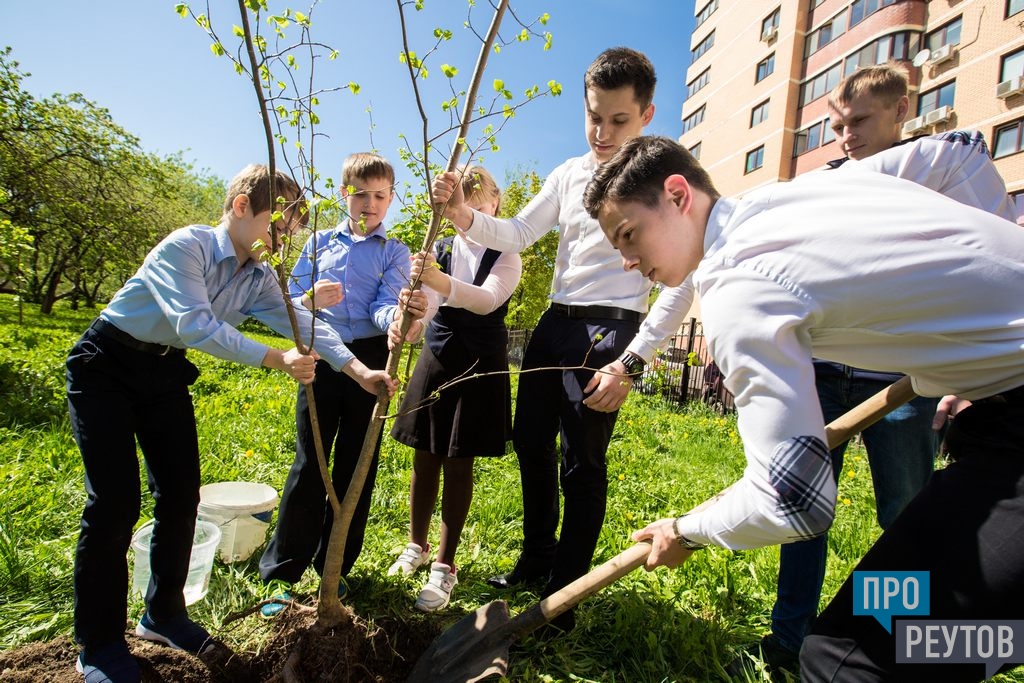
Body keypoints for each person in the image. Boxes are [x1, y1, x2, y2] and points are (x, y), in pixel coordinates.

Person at [583, 134, 1024, 683]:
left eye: (629, 236)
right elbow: (960, 154)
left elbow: (796, 502)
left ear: (677, 195)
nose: (627, 262)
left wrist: (687, 530)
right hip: (1001, 426)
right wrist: (988, 312)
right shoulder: (806, 190)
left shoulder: (736, 284)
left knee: (845, 659)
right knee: (900, 613)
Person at [737, 63, 1018, 676]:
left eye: (860, 121)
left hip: (903, 383)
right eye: (837, 126)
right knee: (804, 516)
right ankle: (791, 638)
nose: (847, 136)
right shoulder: (837, 181)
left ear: (901, 110)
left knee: (907, 513)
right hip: (824, 374)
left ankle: (909, 645)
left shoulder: (939, 172)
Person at [66, 164, 396, 683]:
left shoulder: (259, 276)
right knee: (114, 504)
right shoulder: (187, 247)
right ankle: (99, 643)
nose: (282, 241)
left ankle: (165, 614)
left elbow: (302, 322)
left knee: (181, 494)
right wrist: (276, 359)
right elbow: (195, 326)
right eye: (278, 227)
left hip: (164, 370)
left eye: (289, 233)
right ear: (242, 207)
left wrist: (358, 371)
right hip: (105, 364)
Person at [430, 46, 691, 631]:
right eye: (593, 115)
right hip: (555, 322)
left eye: (618, 120)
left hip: (611, 329)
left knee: (582, 462)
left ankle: (564, 594)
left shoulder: (662, 182)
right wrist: (462, 215)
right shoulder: (570, 173)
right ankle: (538, 559)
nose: (602, 132)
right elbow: (520, 231)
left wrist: (632, 362)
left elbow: (681, 283)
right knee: (529, 440)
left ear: (647, 115)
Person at [259, 153, 432, 614]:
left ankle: (333, 567)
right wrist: (309, 299)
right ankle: (283, 573)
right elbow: (286, 298)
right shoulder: (318, 243)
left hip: (371, 362)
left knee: (358, 465)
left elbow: (381, 307)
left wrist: (397, 319)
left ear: (391, 199)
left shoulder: (394, 252)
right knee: (309, 461)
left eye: (379, 196)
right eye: (360, 194)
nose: (369, 204)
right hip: (319, 354)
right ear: (344, 194)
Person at [386, 165, 522, 612]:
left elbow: (486, 300)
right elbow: (431, 307)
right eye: (458, 207)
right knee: (424, 456)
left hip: (480, 361)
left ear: (495, 205)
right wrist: (411, 321)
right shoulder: (438, 248)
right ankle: (416, 545)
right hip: (439, 354)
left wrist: (439, 282)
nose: (467, 215)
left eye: (478, 206)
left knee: (458, 461)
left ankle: (445, 566)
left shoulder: (507, 252)